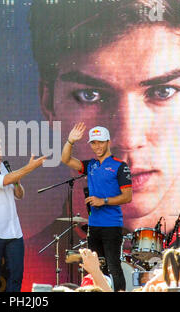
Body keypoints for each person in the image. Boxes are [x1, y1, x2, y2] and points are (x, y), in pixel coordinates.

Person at [28, 0, 180, 276]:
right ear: (49, 102)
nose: (127, 138)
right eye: (90, 95)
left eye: (163, 92)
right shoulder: (24, 267)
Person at [61, 124, 132, 291]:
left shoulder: (120, 165)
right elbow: (66, 160)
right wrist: (70, 141)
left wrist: (103, 201)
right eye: (93, 143)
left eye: (100, 142)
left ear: (108, 142)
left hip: (112, 224)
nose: (97, 146)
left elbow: (127, 196)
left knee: (113, 266)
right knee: (97, 268)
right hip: (94, 225)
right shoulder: (91, 165)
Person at [0, 134, 46, 292]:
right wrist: (30, 167)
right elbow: (4, 181)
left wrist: (18, 183)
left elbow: (19, 195)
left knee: (16, 276)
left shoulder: (5, 168)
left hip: (14, 231)